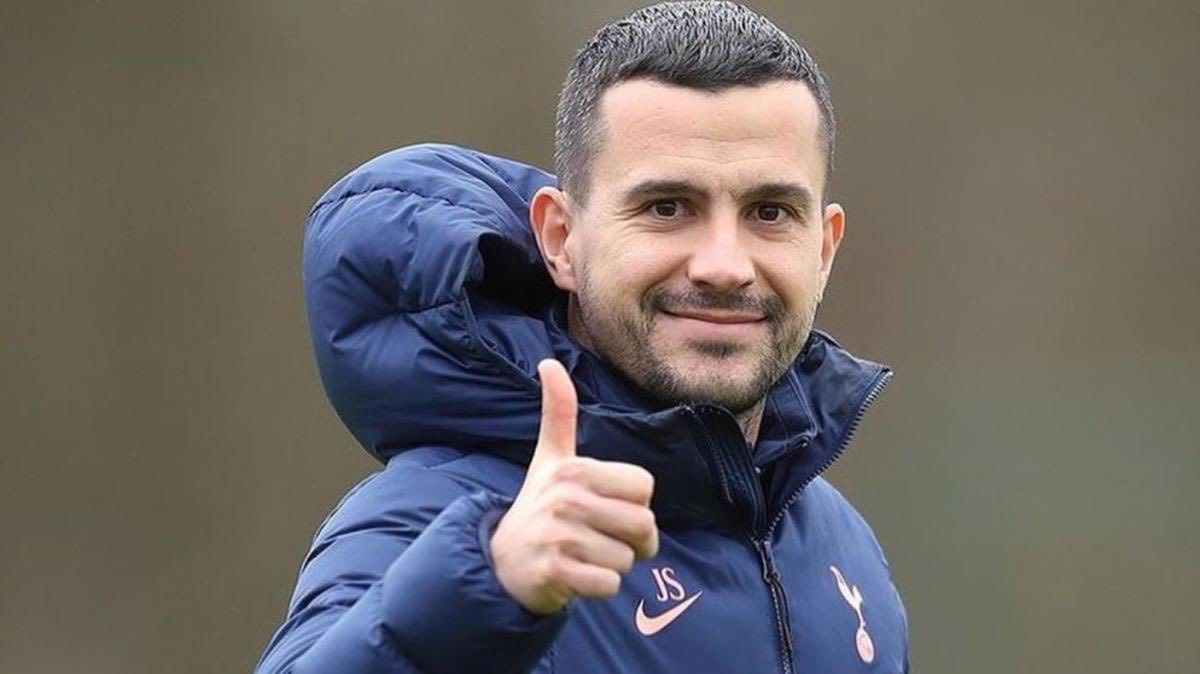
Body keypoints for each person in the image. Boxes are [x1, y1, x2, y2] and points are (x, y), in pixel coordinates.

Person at [256, 2, 909, 672]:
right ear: (560, 240)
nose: (724, 265)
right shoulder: (450, 527)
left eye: (770, 212)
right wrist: (485, 590)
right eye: (667, 207)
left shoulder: (842, 544)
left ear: (824, 250)